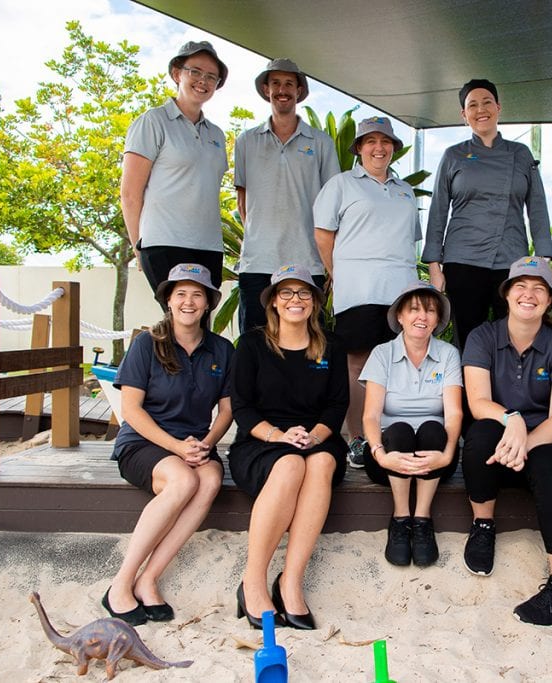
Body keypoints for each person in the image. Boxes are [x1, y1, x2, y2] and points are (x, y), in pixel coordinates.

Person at [104, 263, 233, 625]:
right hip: (145, 441)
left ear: (208, 303)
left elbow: (226, 410)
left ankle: (149, 578)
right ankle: (121, 583)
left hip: (195, 443)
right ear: (169, 301)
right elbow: (130, 409)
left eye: (197, 294)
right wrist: (177, 447)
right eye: (181, 294)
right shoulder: (148, 343)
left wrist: (206, 443)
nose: (188, 302)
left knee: (208, 480)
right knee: (183, 481)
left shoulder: (222, 349)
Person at [228, 264, 349, 630]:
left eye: (304, 293)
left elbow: (337, 405)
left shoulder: (330, 345)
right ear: (274, 303)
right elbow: (241, 407)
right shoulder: (251, 344)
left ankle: (290, 581)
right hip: (261, 442)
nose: (295, 299)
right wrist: (279, 436)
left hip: (316, 439)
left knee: (321, 464)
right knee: (291, 464)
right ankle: (253, 581)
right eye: (287, 293)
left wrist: (313, 436)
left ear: (314, 302)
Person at [461, 257, 552, 626]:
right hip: (498, 434)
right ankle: (483, 525)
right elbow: (478, 402)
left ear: (549, 300)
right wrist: (510, 421)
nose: (529, 295)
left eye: (539, 289)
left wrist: (523, 443)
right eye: (521, 287)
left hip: (541, 439)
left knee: (550, 468)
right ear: (508, 294)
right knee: (479, 437)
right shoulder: (483, 337)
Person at [314, 116, 419, 469]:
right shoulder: (340, 185)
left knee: (396, 364)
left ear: (393, 148)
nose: (379, 147)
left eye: (385, 141)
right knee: (357, 364)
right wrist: (338, 274)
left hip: (401, 293)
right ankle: (358, 437)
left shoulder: (405, 190)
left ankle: (390, 431)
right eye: (370, 141)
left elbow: (409, 241)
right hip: (358, 290)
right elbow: (323, 236)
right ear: (358, 148)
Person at [423, 78, 552, 350]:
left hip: (511, 261)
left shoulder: (521, 154)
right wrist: (435, 266)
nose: (480, 109)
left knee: (514, 339)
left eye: (486, 102)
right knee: (468, 339)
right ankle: (469, 395)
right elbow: (438, 212)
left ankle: (510, 393)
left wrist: (542, 259)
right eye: (472, 105)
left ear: (498, 107)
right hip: (463, 261)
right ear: (464, 114)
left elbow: (537, 206)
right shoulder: (454, 155)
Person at [360, 282, 462, 567]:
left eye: (430, 310)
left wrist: (449, 453)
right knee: (399, 430)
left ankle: (422, 519)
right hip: (388, 455)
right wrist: (380, 453)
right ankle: (401, 518)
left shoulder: (448, 354)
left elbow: (453, 414)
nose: (422, 317)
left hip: (437, 456)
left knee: (433, 427)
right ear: (400, 317)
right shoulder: (382, 354)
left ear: (438, 319)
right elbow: (370, 416)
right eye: (414, 309)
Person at [234, 58, 340, 332]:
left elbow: (333, 205)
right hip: (258, 263)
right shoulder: (246, 141)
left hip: (308, 263)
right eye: (276, 83)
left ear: (299, 91)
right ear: (266, 89)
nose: (283, 90)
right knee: (254, 343)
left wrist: (330, 263)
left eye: (289, 84)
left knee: (308, 345)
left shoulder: (321, 142)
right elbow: (242, 199)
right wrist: (259, 237)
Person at [121, 41, 229, 296]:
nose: (203, 80)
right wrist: (139, 246)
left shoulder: (217, 135)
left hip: (209, 246)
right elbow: (130, 193)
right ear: (177, 73)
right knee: (178, 322)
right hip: (163, 242)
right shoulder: (153, 121)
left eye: (211, 76)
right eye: (195, 71)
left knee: (201, 327)